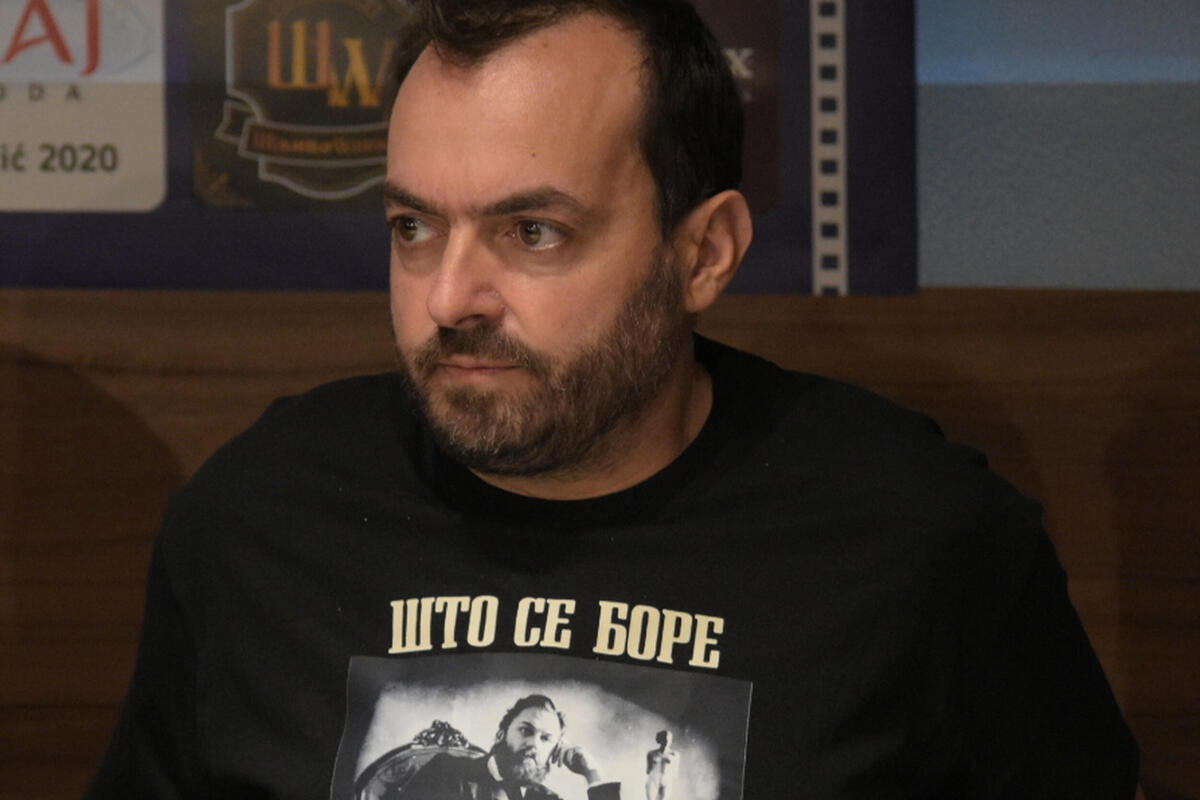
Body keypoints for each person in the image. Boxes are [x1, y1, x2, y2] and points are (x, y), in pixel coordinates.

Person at [88, 1, 1141, 798]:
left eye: (533, 232)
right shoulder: (258, 519)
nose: (449, 298)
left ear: (705, 252)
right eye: (414, 227)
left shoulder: (919, 539)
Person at [395, 695, 618, 800]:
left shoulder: (547, 799)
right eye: (525, 731)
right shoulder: (447, 772)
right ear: (501, 735)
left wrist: (592, 772)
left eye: (546, 739)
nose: (533, 744)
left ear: (553, 753)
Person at [643, 731, 678, 800]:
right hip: (653, 780)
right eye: (665, 738)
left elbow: (675, 773)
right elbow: (648, 771)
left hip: (666, 781)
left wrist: (666, 779)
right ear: (660, 739)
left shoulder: (674, 754)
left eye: (669, 738)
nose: (667, 740)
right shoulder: (651, 753)